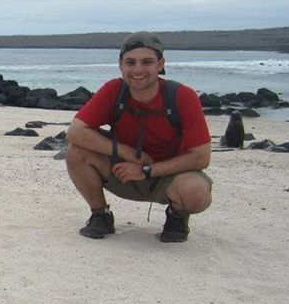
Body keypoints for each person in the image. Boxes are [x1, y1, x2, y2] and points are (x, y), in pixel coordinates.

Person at [65, 31, 212, 242]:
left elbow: (201, 157)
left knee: (196, 192)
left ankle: (177, 217)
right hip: (123, 170)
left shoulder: (182, 96)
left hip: (168, 175)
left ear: (160, 64)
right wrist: (127, 153)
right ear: (121, 65)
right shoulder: (114, 90)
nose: (138, 70)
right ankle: (100, 214)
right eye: (130, 62)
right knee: (76, 152)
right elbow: (75, 132)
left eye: (147, 62)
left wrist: (146, 170)